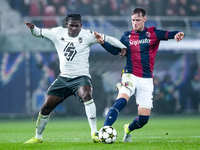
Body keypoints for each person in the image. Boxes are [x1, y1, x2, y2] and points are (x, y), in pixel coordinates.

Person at [23, 13, 127, 144]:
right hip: (63, 78)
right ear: (67, 24)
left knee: (87, 95)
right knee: (45, 108)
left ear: (80, 25)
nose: (73, 28)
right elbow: (38, 32)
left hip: (81, 77)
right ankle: (38, 137)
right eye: (71, 25)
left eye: (76, 26)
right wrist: (32, 28)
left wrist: (122, 47)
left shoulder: (88, 35)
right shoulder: (57, 32)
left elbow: (108, 38)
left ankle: (94, 133)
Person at [95, 7, 184, 142]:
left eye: (137, 20)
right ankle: (104, 130)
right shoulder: (126, 36)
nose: (135, 23)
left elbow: (171, 34)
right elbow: (115, 51)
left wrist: (179, 34)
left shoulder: (153, 33)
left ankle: (128, 129)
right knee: (121, 100)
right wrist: (102, 42)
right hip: (129, 74)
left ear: (144, 19)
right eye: (133, 20)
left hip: (146, 79)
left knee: (143, 119)